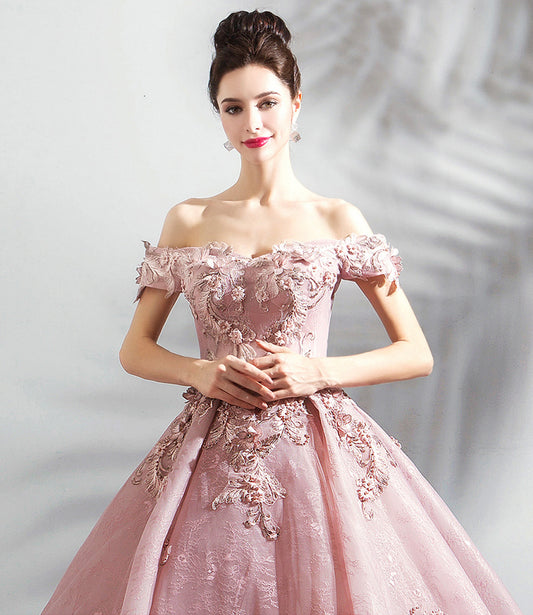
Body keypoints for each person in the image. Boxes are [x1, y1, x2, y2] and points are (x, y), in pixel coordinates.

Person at [41, 9, 523, 615]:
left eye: (267, 103)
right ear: (218, 115)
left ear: (296, 103)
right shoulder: (188, 220)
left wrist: (318, 372)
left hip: (317, 456)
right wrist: (199, 372)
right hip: (211, 454)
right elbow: (135, 349)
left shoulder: (336, 219)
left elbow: (416, 352)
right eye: (233, 107)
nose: (253, 123)